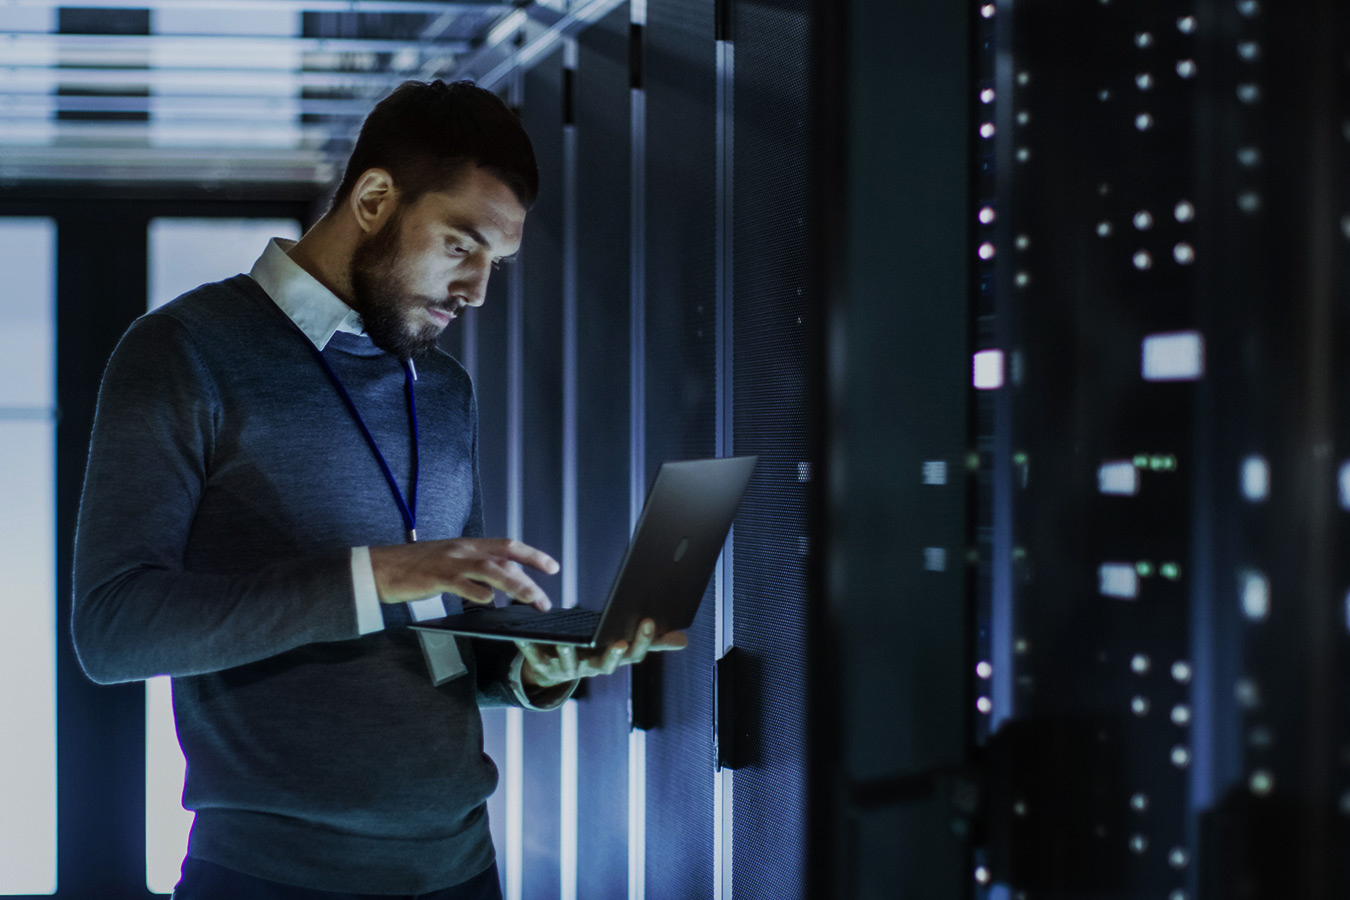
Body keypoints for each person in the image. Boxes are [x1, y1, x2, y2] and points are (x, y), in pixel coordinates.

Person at [71, 79, 685, 900]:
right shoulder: (181, 353)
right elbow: (112, 630)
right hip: (269, 880)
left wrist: (524, 670)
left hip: (462, 870)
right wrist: (376, 575)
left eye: (496, 264)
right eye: (461, 246)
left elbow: (437, 639)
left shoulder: (442, 388)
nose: (477, 292)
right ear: (372, 197)